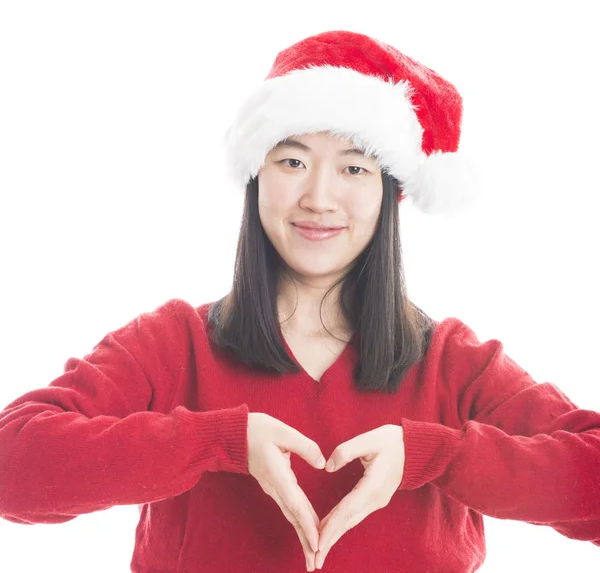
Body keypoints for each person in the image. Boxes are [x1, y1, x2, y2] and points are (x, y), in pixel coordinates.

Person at [0, 30, 599, 573]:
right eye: (292, 161)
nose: (319, 197)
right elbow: (12, 470)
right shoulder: (172, 343)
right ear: (256, 176)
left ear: (392, 196)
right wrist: (218, 442)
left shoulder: (453, 363)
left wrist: (436, 456)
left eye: (354, 169)